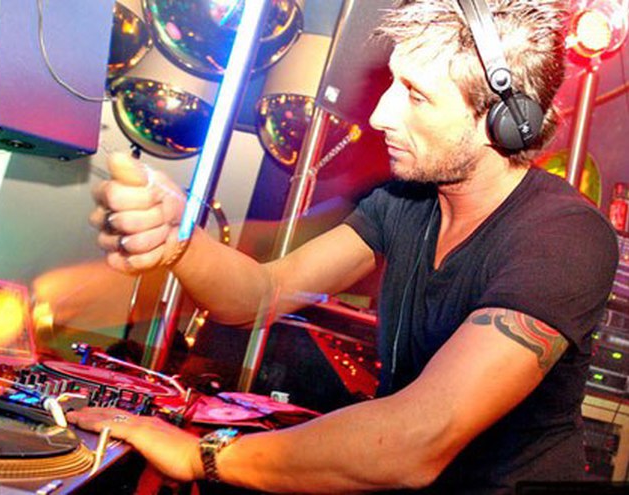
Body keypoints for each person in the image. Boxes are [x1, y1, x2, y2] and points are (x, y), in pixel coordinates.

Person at [69, 0, 619, 493]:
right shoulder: (402, 204)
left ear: (503, 123)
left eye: (416, 95)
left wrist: (202, 457)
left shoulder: (564, 237)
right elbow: (261, 293)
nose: (380, 115)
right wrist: (180, 240)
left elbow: (416, 441)